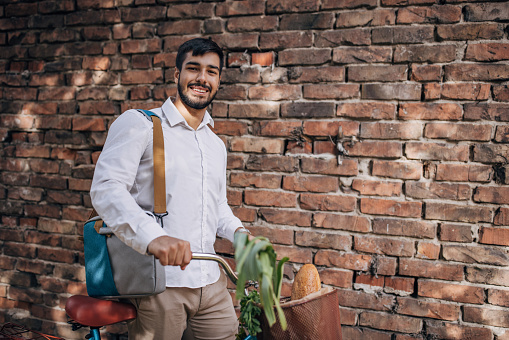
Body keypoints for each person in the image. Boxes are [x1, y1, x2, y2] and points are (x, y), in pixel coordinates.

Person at [90, 38, 250, 339]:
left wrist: (238, 233)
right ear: (176, 74)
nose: (202, 78)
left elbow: (217, 206)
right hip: (160, 286)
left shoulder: (215, 145)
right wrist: (155, 237)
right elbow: (106, 189)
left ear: (219, 80)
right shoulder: (141, 124)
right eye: (193, 68)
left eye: (212, 72)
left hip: (211, 283)